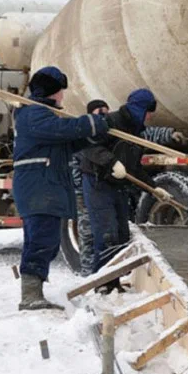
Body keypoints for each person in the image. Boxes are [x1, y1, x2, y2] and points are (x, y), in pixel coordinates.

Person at [12, 66, 108, 310]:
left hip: (43, 187)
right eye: (61, 91)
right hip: (38, 188)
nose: (63, 96)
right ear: (52, 91)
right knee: (41, 240)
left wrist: (96, 131)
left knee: (46, 240)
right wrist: (91, 122)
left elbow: (66, 142)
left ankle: (33, 292)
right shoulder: (35, 114)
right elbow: (64, 130)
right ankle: (30, 295)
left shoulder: (41, 116)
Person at [78, 88, 171, 279]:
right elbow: (87, 145)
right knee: (106, 235)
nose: (152, 116)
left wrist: (154, 188)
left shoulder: (136, 131)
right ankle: (103, 284)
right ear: (139, 108)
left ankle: (117, 282)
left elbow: (134, 168)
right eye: (149, 110)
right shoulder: (109, 122)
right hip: (98, 183)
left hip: (117, 186)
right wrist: (110, 162)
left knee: (121, 236)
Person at [69, 100, 112, 276]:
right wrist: (80, 186)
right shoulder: (82, 133)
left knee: (103, 231)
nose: (104, 114)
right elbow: (73, 164)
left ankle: (102, 269)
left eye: (106, 111)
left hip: (99, 189)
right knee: (87, 232)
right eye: (100, 111)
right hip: (84, 191)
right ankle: (87, 270)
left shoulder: (105, 131)